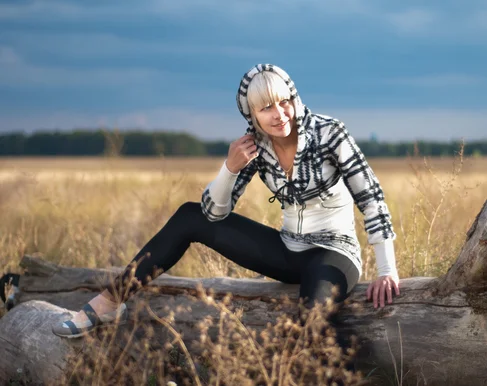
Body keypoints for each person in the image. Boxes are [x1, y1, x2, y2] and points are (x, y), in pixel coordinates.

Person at [52, 63, 400, 339]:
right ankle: (111, 300)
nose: (279, 114)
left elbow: (372, 198)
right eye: (266, 108)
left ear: (294, 97)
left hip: (334, 254)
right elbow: (213, 213)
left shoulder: (330, 133)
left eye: (284, 101)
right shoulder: (254, 146)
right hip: (286, 249)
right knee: (190, 216)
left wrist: (386, 270)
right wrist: (229, 169)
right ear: (252, 115)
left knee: (310, 326)